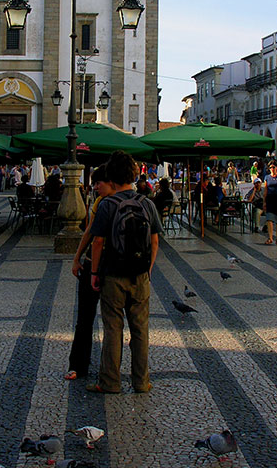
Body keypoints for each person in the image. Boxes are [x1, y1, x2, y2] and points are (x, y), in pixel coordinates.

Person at [87, 151, 161, 395]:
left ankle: (110, 382)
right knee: (140, 330)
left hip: (113, 275)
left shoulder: (108, 205)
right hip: (140, 276)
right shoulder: (147, 203)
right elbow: (155, 241)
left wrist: (94, 272)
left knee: (112, 328)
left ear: (112, 177)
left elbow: (97, 242)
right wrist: (147, 269)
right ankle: (141, 382)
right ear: (133, 175)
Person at [65, 165, 114, 381]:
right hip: (94, 265)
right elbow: (90, 231)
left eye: (97, 183)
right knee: (85, 318)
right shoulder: (98, 202)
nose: (94, 187)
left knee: (112, 321)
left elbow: (99, 239)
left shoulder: (120, 203)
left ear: (110, 182)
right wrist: (77, 257)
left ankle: (109, 369)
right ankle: (78, 365)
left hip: (109, 267)